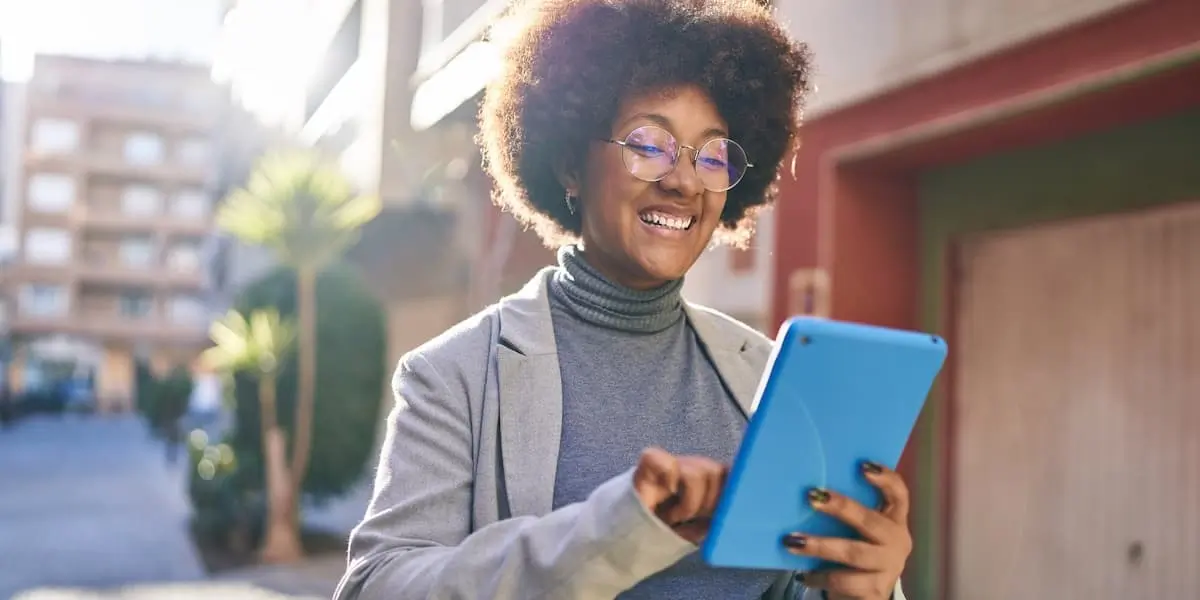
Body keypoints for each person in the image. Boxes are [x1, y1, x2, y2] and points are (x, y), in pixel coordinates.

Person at [335, 1, 912, 598]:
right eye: (649, 144)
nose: (684, 181)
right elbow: (375, 586)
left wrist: (863, 585)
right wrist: (608, 533)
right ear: (568, 165)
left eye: (712, 155)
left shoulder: (765, 374)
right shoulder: (455, 376)